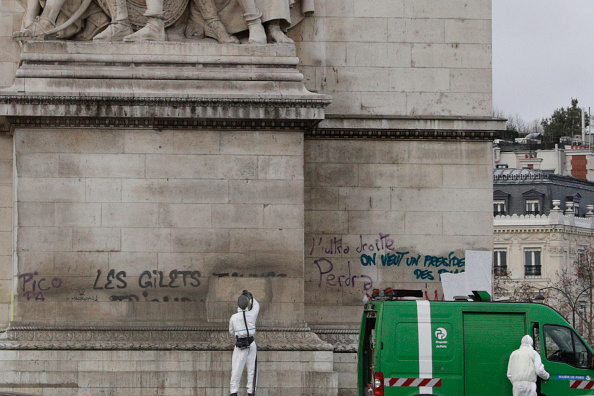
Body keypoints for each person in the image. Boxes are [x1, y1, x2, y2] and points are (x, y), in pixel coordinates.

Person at [229, 290, 260, 396]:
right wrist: (251, 297)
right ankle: (250, 392)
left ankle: (234, 392)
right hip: (251, 343)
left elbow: (231, 331)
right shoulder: (252, 314)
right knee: (251, 369)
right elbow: (256, 306)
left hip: (240, 345)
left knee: (236, 369)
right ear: (247, 305)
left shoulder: (234, 317)